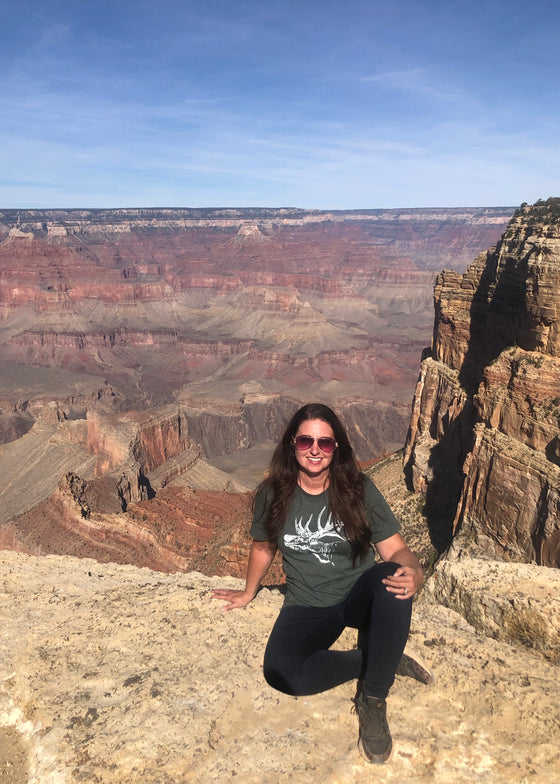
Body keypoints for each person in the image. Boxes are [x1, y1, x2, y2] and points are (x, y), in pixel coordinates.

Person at [212, 402, 427, 764]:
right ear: (292, 445)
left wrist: (415, 570)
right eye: (306, 441)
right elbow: (263, 547)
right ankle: (379, 660)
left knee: (394, 578)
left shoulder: (358, 488)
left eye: (325, 443)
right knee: (283, 673)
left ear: (336, 447)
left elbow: (395, 550)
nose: (315, 450)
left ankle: (373, 697)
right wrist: (249, 591)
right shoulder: (273, 493)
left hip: (360, 595)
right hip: (307, 604)